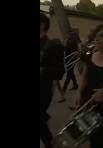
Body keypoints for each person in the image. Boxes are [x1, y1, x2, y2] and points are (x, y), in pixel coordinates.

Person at [40, 13, 65, 148]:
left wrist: (43, 70)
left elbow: (60, 71)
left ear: (42, 25)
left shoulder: (52, 46)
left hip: (43, 89)